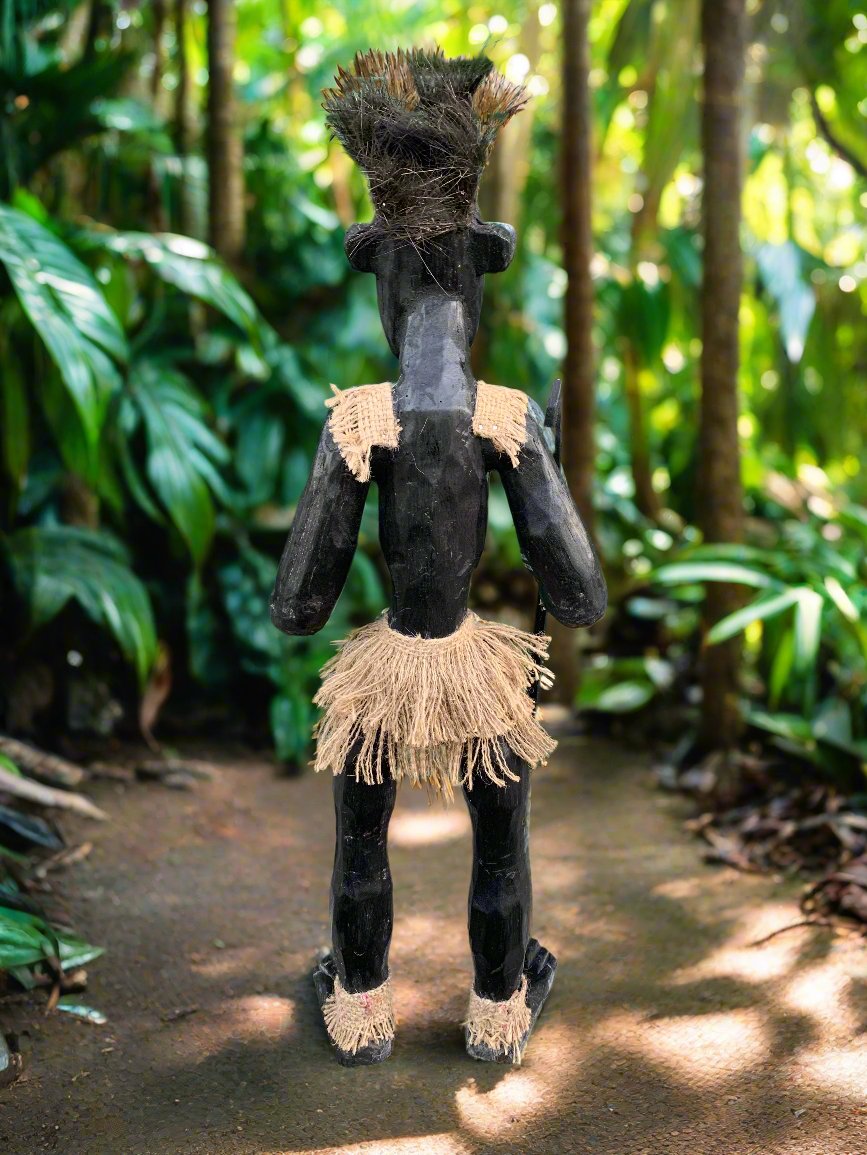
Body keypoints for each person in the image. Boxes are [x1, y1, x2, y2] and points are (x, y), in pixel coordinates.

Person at [271, 47, 607, 1066]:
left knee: (359, 833)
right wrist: (530, 460)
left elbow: (299, 603)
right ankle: (498, 1007)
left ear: (377, 276)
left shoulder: (361, 422)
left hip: (386, 669)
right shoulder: (500, 417)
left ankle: (360, 1003)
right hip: (476, 665)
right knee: (501, 837)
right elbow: (580, 592)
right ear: (478, 272)